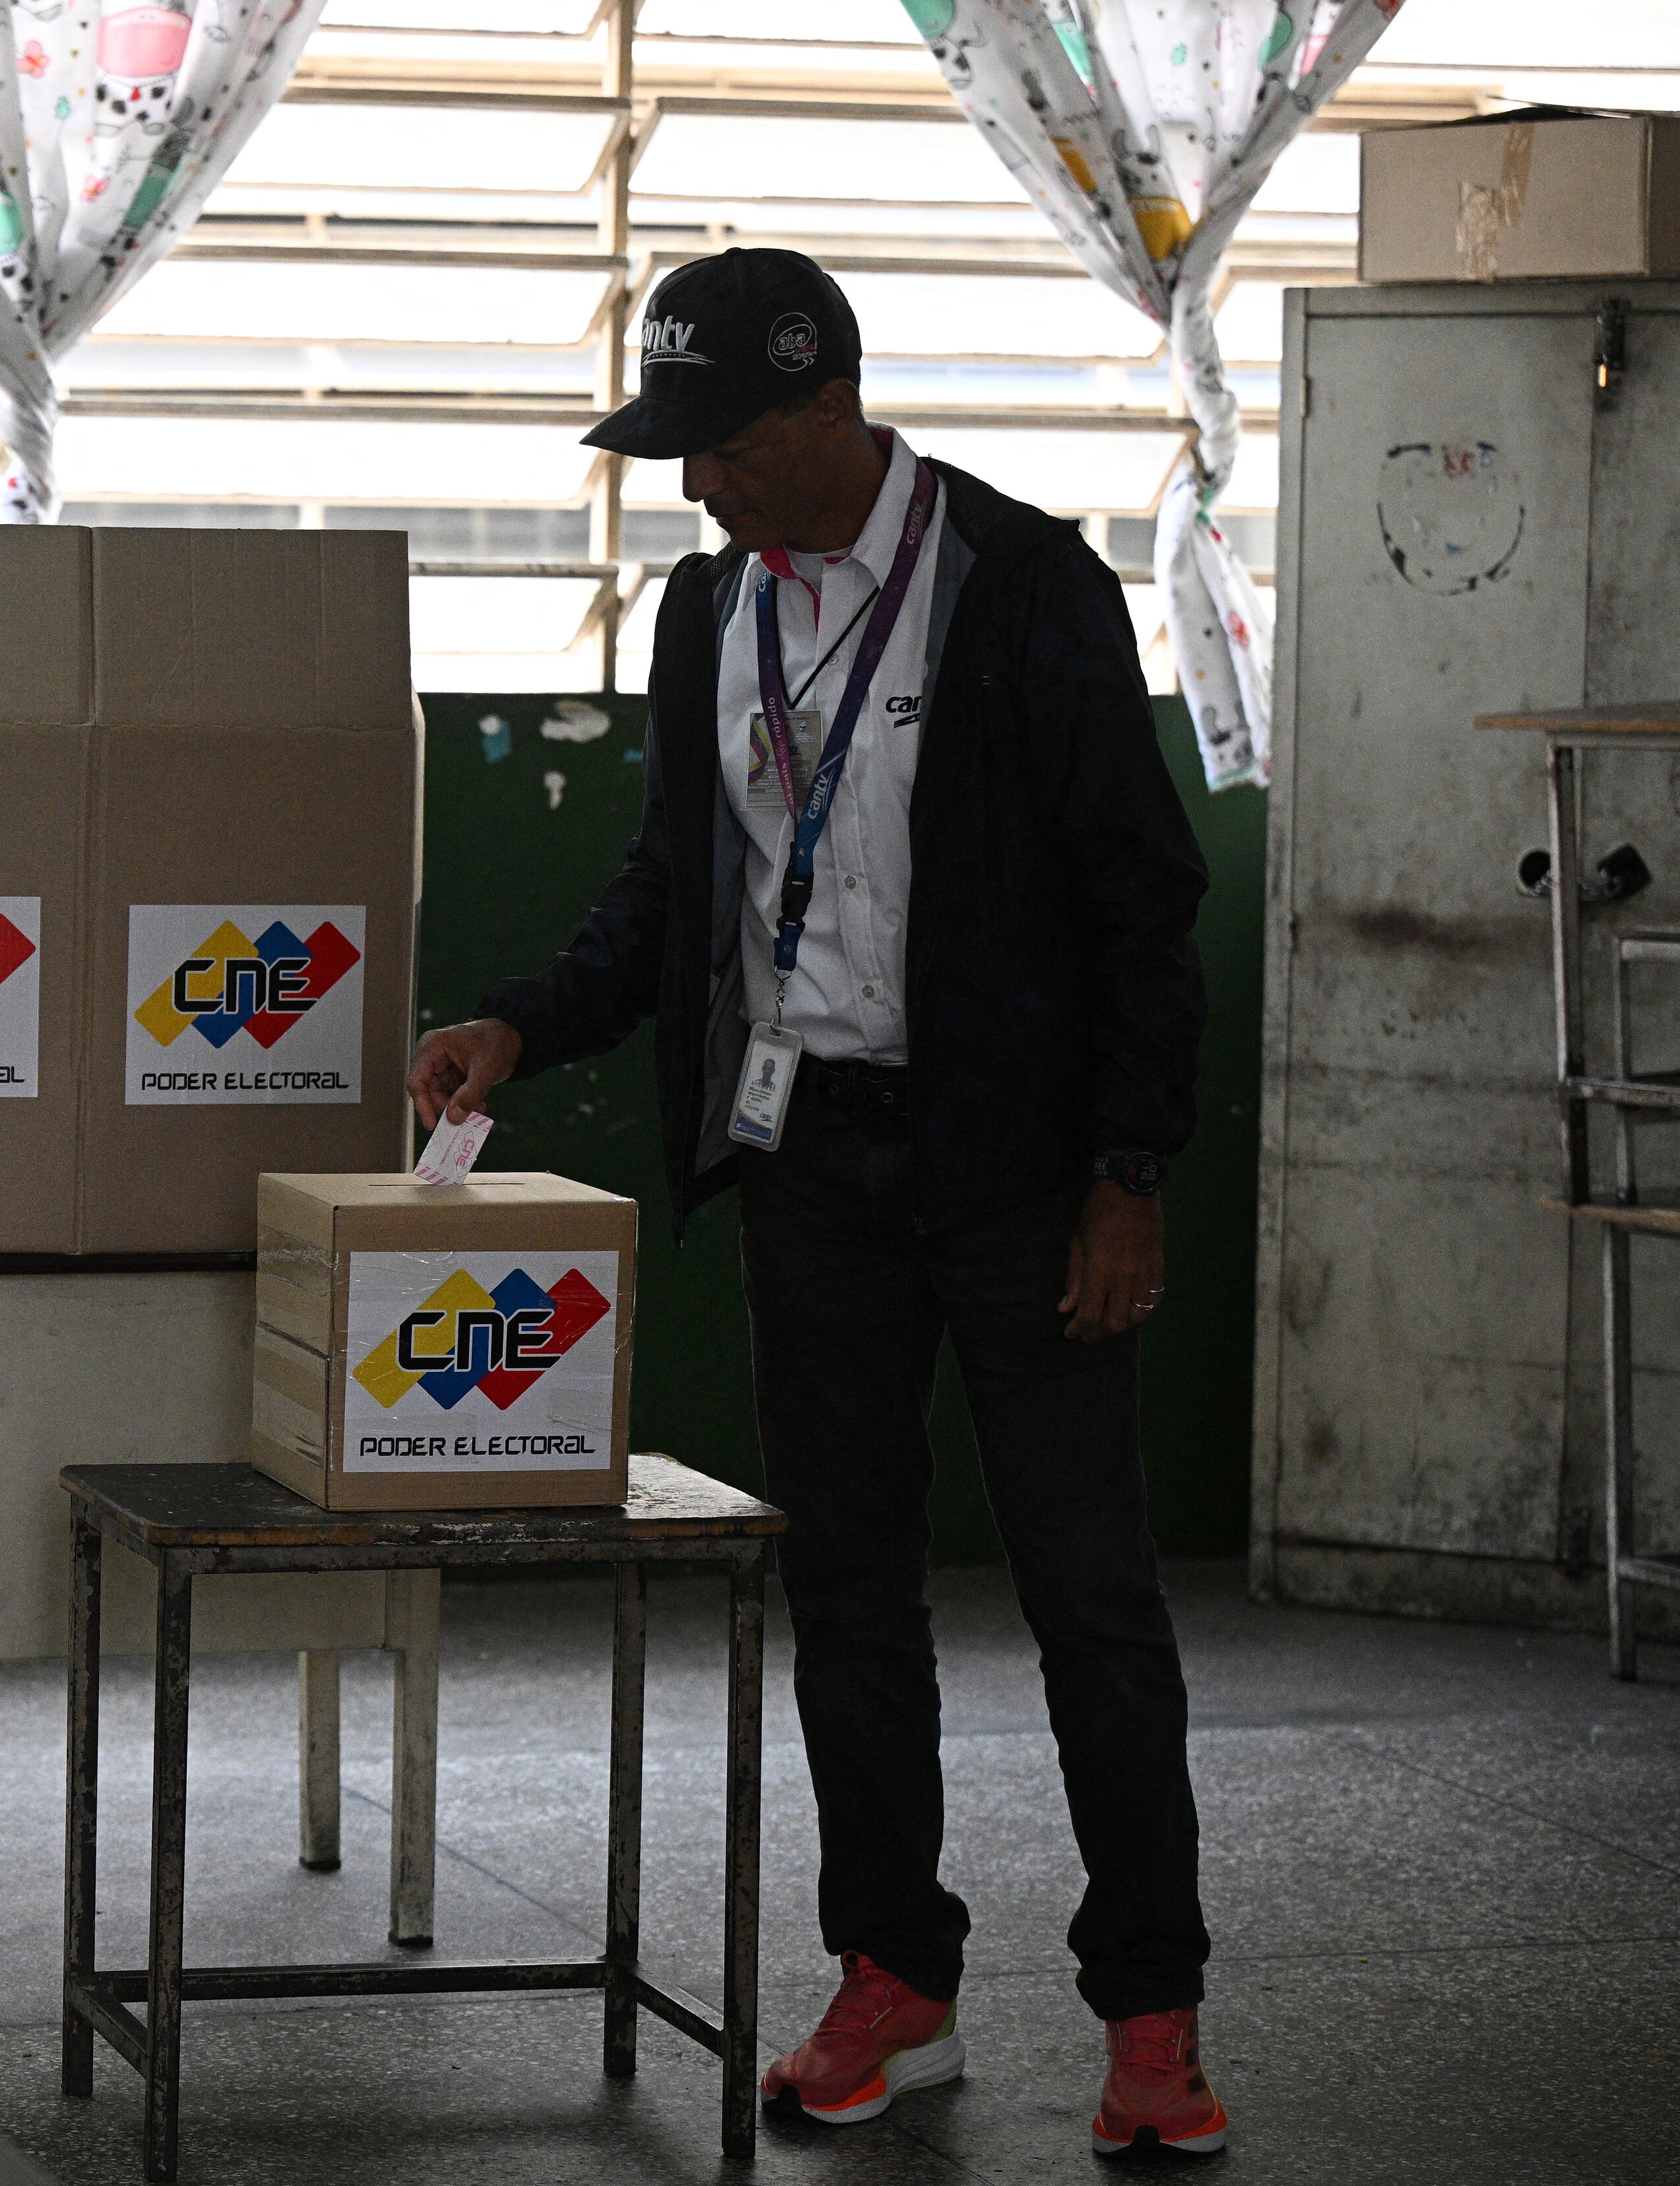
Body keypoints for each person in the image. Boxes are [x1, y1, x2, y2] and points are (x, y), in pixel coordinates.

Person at [410, 251, 1222, 2158]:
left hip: (1023, 1176)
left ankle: (1156, 2002)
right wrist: (520, 1020)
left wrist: (1128, 1175)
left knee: (1089, 1595)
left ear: (819, 410)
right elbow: (674, 894)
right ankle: (896, 1971)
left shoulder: (1027, 593)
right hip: (810, 1171)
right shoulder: (711, 615)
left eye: (720, 448)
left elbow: (1144, 908)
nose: (698, 486)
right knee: (847, 1587)